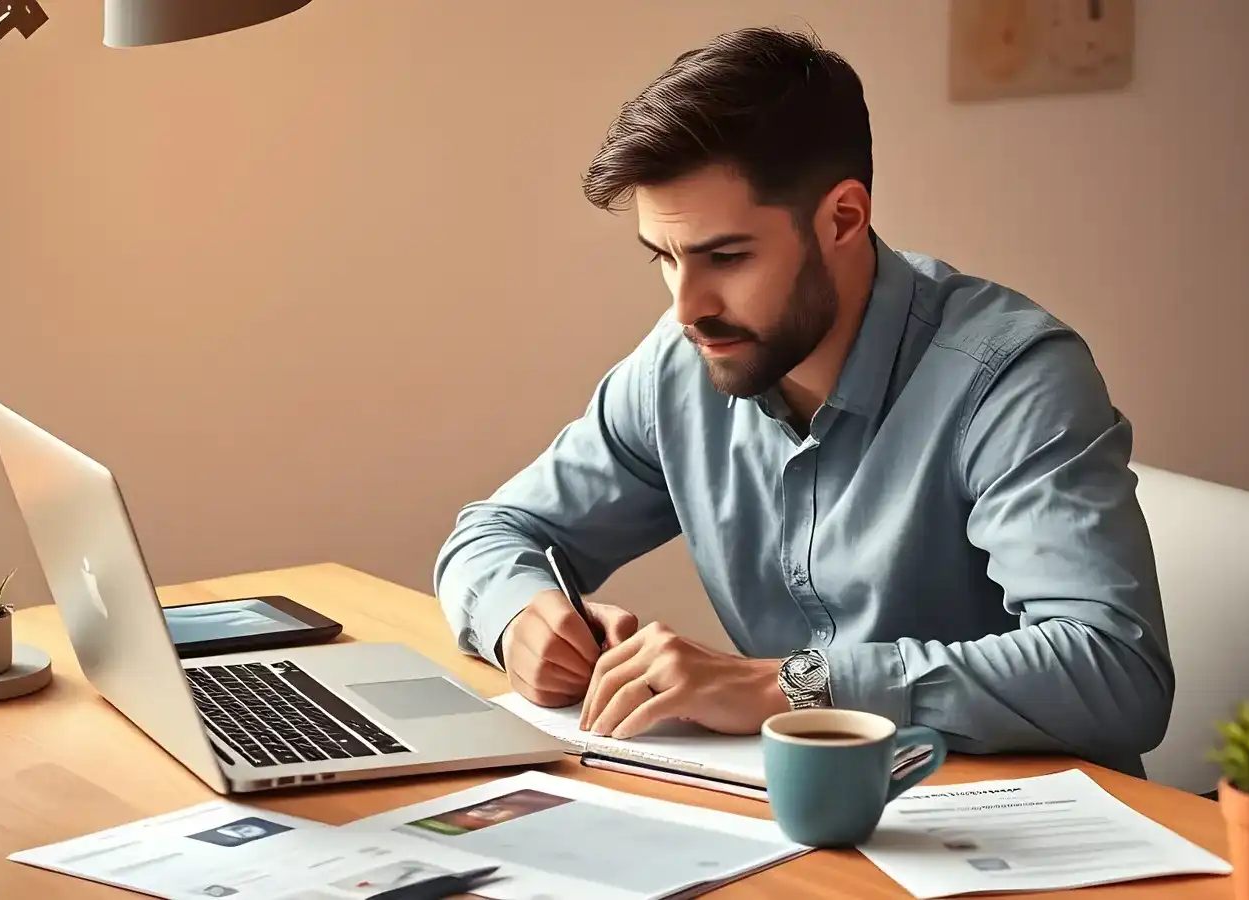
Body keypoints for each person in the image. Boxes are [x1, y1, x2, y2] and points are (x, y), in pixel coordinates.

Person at [433, 26, 1174, 777]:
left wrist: (786, 686)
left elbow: (1115, 671)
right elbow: (492, 533)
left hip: (1026, 847)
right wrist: (520, 618)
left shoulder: (1011, 378)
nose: (688, 307)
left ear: (843, 219)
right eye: (664, 257)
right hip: (803, 825)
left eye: (726, 257)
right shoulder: (681, 365)